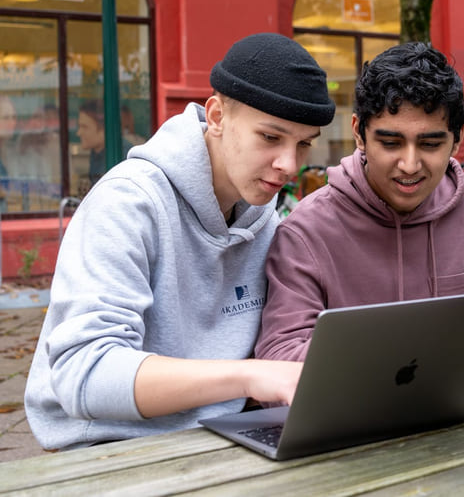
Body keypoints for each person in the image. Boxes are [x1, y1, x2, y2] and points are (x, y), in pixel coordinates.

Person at [24, 32, 335, 451]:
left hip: (222, 436)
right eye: (270, 137)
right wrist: (251, 375)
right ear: (218, 115)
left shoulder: (266, 219)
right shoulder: (127, 203)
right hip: (108, 447)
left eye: (303, 145)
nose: (289, 165)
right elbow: (86, 373)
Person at [255, 41, 464, 363]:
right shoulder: (306, 231)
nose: (410, 165)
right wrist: (382, 367)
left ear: (457, 139)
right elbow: (281, 353)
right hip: (356, 411)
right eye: (390, 142)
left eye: (429, 144)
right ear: (359, 133)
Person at [77, 99, 133, 186]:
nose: (79, 133)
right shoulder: (97, 151)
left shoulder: (123, 155)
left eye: (84, 127)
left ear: (103, 130)